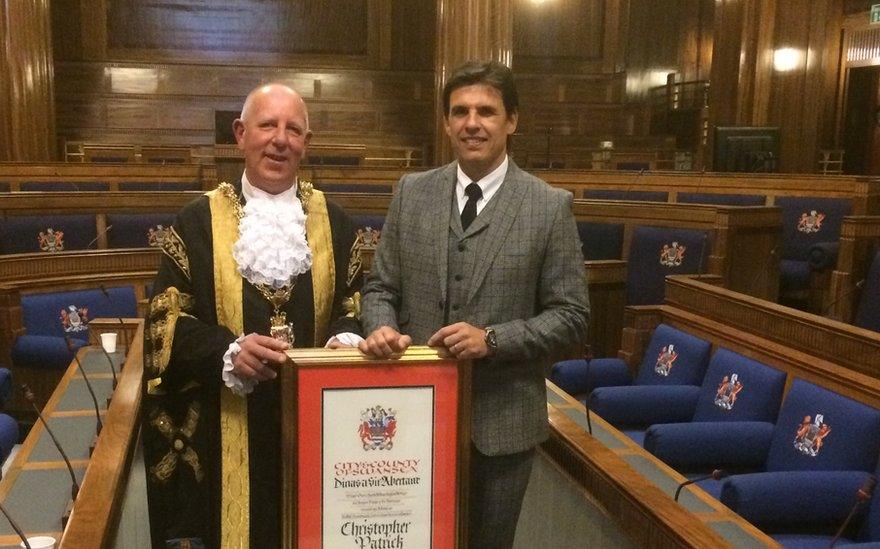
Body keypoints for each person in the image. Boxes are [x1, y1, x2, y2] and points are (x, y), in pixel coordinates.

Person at [359, 61, 589, 548]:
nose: (472, 123)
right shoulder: (411, 193)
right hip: (412, 420)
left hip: (502, 426)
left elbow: (572, 316)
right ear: (446, 122)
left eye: (486, 111)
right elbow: (379, 288)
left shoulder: (549, 206)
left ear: (512, 121)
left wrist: (493, 339)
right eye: (460, 111)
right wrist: (379, 327)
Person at [142, 83, 364, 549]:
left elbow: (357, 303)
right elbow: (164, 321)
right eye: (268, 125)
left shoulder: (337, 221)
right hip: (226, 426)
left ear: (307, 142)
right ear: (240, 134)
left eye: (294, 129)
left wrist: (342, 343)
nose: (280, 139)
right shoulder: (196, 220)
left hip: (317, 424)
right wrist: (228, 350)